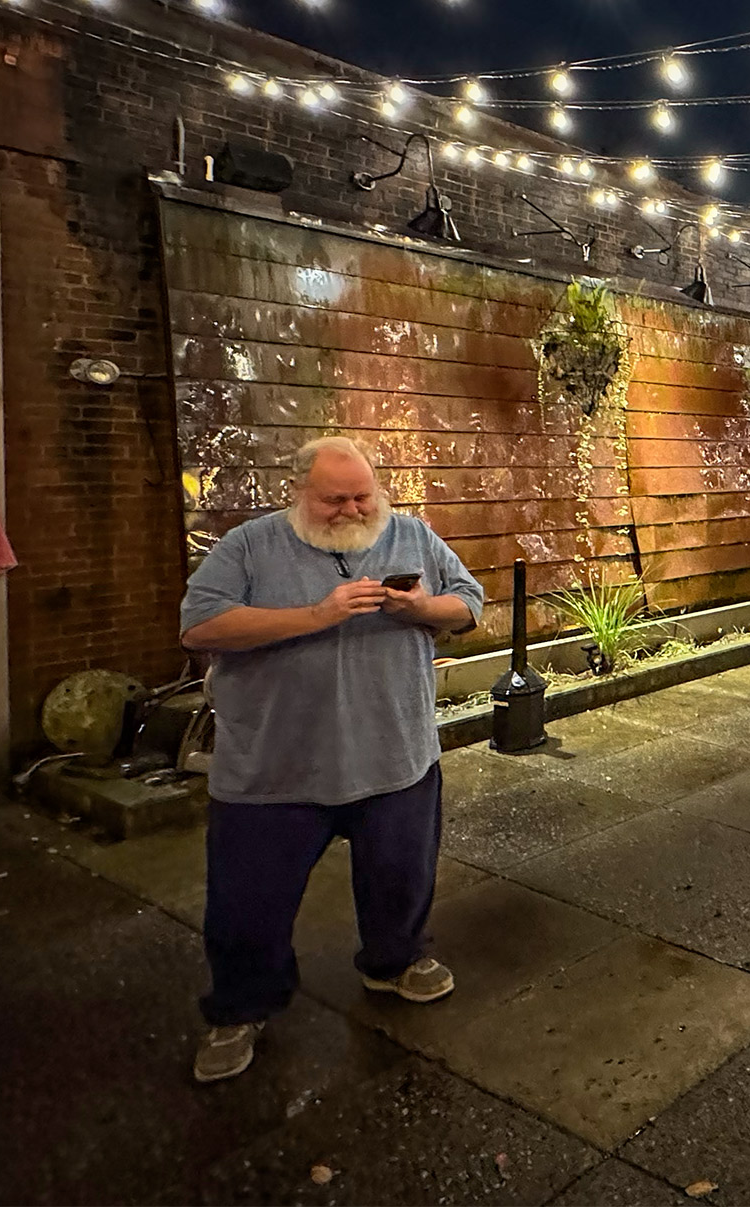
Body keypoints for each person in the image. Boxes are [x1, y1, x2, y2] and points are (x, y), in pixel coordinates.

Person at [179, 436, 484, 1083]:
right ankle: (240, 1007)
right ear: (298, 491)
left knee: (401, 877)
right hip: (274, 769)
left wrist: (419, 607)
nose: (349, 509)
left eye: (361, 495)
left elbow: (468, 603)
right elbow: (199, 625)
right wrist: (316, 614)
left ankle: (393, 961)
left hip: (393, 756)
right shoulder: (252, 545)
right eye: (333, 498)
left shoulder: (410, 534)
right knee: (247, 902)